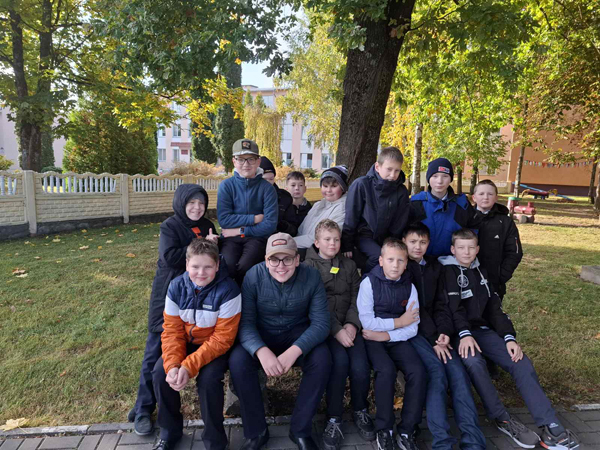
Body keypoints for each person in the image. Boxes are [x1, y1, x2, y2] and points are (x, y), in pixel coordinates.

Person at [439, 229, 580, 450]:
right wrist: (464, 334)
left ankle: (550, 424)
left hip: (483, 331)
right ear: (452, 249)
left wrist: (508, 337)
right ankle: (502, 418)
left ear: (477, 249)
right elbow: (452, 309)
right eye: (461, 247)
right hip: (458, 333)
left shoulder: (482, 272)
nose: (466, 252)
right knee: (474, 362)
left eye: (471, 247)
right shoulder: (446, 271)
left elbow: (495, 309)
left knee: (520, 361)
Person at [228, 233, 332, 450]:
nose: (281, 266)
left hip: (296, 334)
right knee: (238, 360)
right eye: (274, 259)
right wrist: (260, 350)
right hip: (263, 334)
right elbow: (245, 323)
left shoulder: (311, 276)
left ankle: (300, 430)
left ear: (297, 259)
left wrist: (295, 351)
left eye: (287, 259)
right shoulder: (253, 276)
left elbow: (321, 323)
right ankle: (256, 432)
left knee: (322, 358)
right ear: (266, 261)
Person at [129, 184, 218, 435]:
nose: (197, 208)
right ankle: (143, 408)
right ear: (181, 203)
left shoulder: (207, 224)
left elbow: (211, 258)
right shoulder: (170, 226)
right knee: (155, 349)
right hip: (169, 292)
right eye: (191, 203)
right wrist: (203, 243)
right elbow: (170, 257)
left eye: (201, 203)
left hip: (198, 294)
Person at [402, 223, 486, 450]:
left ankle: (473, 440)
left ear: (429, 244)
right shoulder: (400, 267)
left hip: (436, 333)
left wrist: (444, 333)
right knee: (437, 374)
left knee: (458, 373)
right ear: (404, 242)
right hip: (412, 333)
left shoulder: (434, 267)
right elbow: (413, 310)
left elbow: (442, 305)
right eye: (413, 242)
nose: (417, 247)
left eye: (422, 242)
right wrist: (433, 340)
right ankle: (442, 442)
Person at [152, 239, 241, 450]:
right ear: (186, 265)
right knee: (160, 373)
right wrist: (173, 365)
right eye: (195, 267)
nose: (201, 273)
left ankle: (215, 441)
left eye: (208, 267)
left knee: (209, 381)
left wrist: (188, 366)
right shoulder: (175, 287)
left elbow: (222, 339)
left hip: (214, 346)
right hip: (185, 342)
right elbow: (172, 331)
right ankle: (169, 432)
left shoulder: (229, 290)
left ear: (217, 266)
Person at [303, 220, 374, 450]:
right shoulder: (308, 267)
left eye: (336, 239)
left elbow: (357, 297)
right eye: (327, 239)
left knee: (360, 367)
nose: (332, 243)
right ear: (317, 242)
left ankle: (360, 409)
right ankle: (334, 417)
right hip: (325, 329)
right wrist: (337, 331)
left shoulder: (349, 265)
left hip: (351, 327)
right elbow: (315, 304)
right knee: (339, 364)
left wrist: (352, 324)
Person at [357, 239, 427, 450]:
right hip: (372, 339)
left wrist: (387, 335)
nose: (395, 265)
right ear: (381, 261)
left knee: (418, 371)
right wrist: (398, 322)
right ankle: (384, 429)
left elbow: (412, 326)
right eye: (390, 260)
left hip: (395, 338)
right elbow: (367, 322)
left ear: (406, 264)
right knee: (386, 370)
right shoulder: (369, 283)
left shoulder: (409, 287)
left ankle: (407, 429)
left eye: (400, 260)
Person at [217, 139, 278, 285]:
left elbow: (269, 225)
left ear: (258, 161)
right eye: (241, 159)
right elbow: (224, 219)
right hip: (231, 239)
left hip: (256, 238)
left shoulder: (267, 189)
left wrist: (240, 230)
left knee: (245, 266)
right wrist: (254, 219)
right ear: (234, 161)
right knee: (227, 264)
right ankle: (230, 296)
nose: (246, 164)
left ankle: (246, 295)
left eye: (251, 159)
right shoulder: (226, 186)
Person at [342, 147, 410, 273]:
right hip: (363, 236)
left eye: (397, 171)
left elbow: (399, 223)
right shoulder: (361, 185)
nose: (393, 175)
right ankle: (366, 280)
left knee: (392, 258)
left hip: (387, 239)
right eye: (389, 169)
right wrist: (347, 244)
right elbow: (351, 217)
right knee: (379, 258)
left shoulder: (401, 191)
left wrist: (392, 246)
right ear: (377, 167)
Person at [409, 158, 480, 257]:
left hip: (451, 261)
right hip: (420, 261)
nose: (440, 181)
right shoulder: (416, 203)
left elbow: (473, 232)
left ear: (450, 179)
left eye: (445, 176)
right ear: (428, 178)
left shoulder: (462, 205)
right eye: (435, 176)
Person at [472, 179, 522, 300]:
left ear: (496, 198)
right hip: (467, 280)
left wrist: (501, 276)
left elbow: (514, 252)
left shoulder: (505, 222)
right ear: (474, 197)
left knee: (492, 311)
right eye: (481, 193)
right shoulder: (465, 218)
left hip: (494, 282)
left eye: (490, 194)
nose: (485, 197)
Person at [294, 166, 348, 251]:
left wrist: (290, 241)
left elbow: (324, 238)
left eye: (334, 186)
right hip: (300, 247)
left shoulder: (342, 208)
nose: (328, 190)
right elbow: (301, 230)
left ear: (342, 188)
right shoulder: (318, 205)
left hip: (318, 253)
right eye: (325, 186)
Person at [259, 158, 311, 237]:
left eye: (271, 179)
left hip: (279, 240)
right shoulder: (247, 196)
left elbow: (293, 229)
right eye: (264, 179)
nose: (268, 183)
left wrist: (283, 225)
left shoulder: (284, 198)